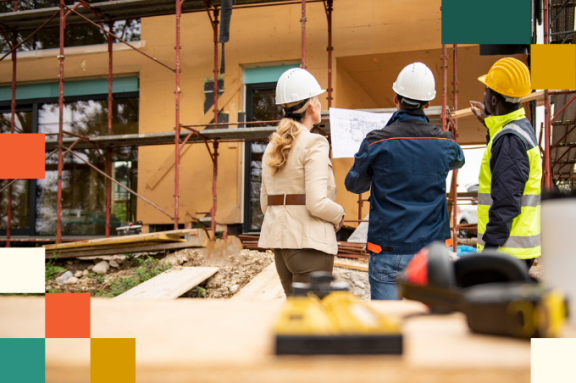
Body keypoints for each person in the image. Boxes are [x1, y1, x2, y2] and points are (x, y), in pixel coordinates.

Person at [345, 62, 465, 300]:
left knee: (390, 328)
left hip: (389, 250)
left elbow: (354, 185)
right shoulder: (445, 143)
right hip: (432, 255)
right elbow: (458, 160)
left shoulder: (376, 142)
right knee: (427, 328)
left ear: (395, 99)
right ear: (428, 103)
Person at [258, 68, 345, 296]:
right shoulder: (315, 142)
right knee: (313, 323)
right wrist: (339, 214)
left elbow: (265, 204)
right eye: (318, 99)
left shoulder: (272, 146)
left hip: (282, 248)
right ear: (311, 106)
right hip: (310, 245)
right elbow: (316, 203)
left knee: (298, 318)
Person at [470, 57, 541, 270]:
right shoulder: (520, 128)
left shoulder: (509, 140)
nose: (484, 96)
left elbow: (507, 201)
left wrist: (490, 250)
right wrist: (490, 123)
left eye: (486, 91)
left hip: (506, 251)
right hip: (513, 248)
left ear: (493, 100)